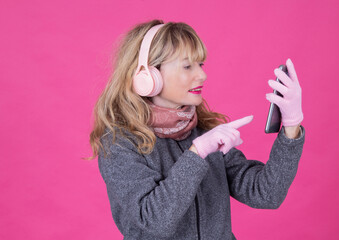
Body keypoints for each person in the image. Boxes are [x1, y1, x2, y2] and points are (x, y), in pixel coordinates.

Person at [89, 19, 305, 240]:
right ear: (148, 77)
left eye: (200, 65)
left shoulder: (204, 132)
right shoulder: (119, 143)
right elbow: (153, 222)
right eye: (187, 66)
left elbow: (266, 194)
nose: (202, 75)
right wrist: (197, 154)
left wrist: (291, 126)